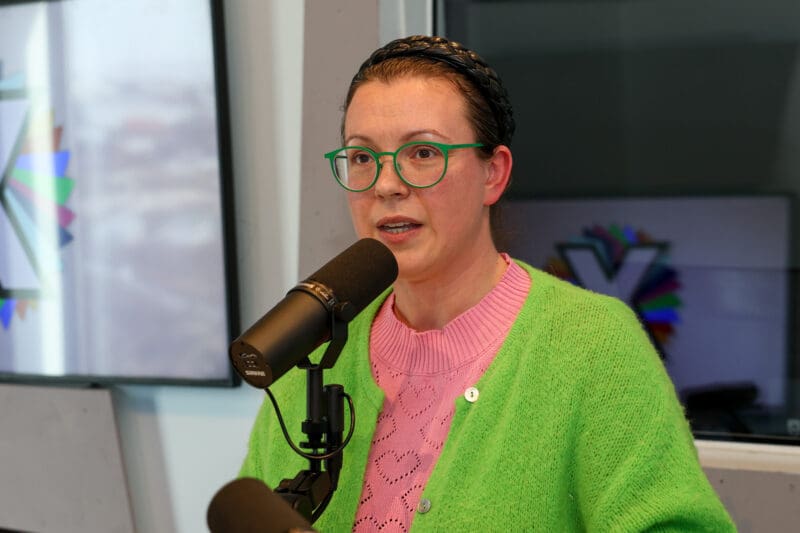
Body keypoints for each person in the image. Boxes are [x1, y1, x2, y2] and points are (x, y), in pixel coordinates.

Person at [240, 35, 736, 532]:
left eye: (423, 152)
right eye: (362, 158)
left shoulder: (594, 345)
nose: (386, 185)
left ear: (493, 174)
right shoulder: (316, 349)